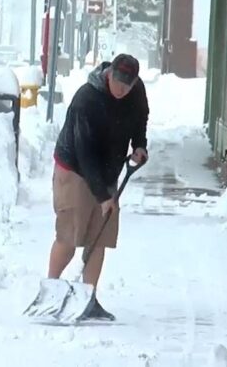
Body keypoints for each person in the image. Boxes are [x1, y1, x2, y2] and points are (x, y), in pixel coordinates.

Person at [47, 53, 150, 321]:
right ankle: (51, 293)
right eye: (118, 84)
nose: (122, 90)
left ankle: (87, 299)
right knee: (69, 236)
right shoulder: (87, 99)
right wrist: (103, 196)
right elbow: (85, 153)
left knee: (99, 237)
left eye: (128, 86)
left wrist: (139, 144)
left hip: (107, 170)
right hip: (75, 170)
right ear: (109, 75)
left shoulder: (136, 92)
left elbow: (140, 118)